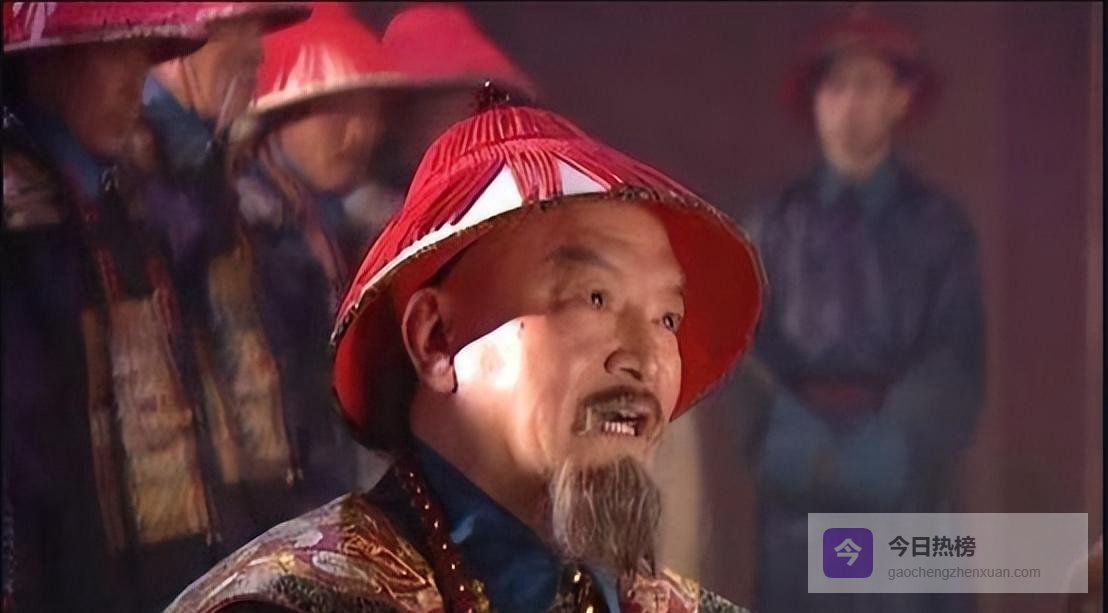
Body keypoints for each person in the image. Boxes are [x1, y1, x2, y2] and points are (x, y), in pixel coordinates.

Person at [166, 93, 764, 612]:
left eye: (667, 318)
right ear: (436, 339)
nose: (645, 359)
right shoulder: (295, 602)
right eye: (595, 298)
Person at [741, 10, 986, 613]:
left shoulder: (939, 230)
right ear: (815, 101)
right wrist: (802, 449)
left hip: (908, 489)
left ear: (900, 99)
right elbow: (746, 358)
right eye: (835, 86)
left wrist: (888, 451)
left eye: (868, 85)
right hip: (798, 491)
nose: (850, 104)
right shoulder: (772, 230)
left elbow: (955, 356)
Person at [0, 3, 217, 610]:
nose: (135, 84)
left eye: (141, 58)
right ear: (46, 65)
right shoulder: (20, 222)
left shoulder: (122, 198)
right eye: (113, 53)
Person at [137, 0, 363, 559]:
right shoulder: (132, 181)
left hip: (255, 527)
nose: (258, 51)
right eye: (238, 26)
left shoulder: (240, 183)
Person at [227, 1, 422, 493]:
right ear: (278, 114)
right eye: (335, 115)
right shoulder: (245, 227)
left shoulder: (336, 226)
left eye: (368, 114)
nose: (356, 135)